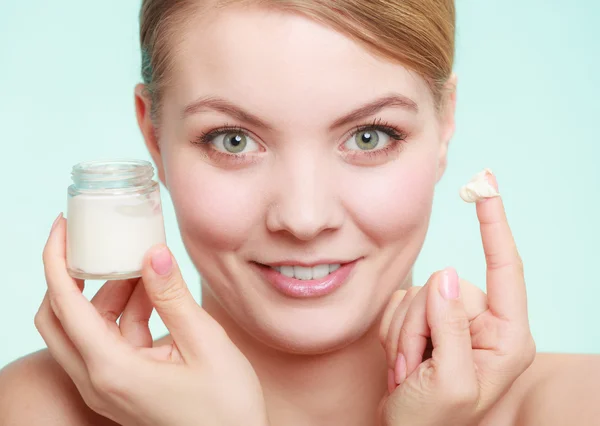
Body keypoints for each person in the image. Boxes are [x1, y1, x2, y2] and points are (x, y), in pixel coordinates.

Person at [1, 1, 599, 425]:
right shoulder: (37, 412)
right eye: (233, 139)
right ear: (153, 135)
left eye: (369, 136)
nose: (305, 217)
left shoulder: (578, 407)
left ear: (445, 124)